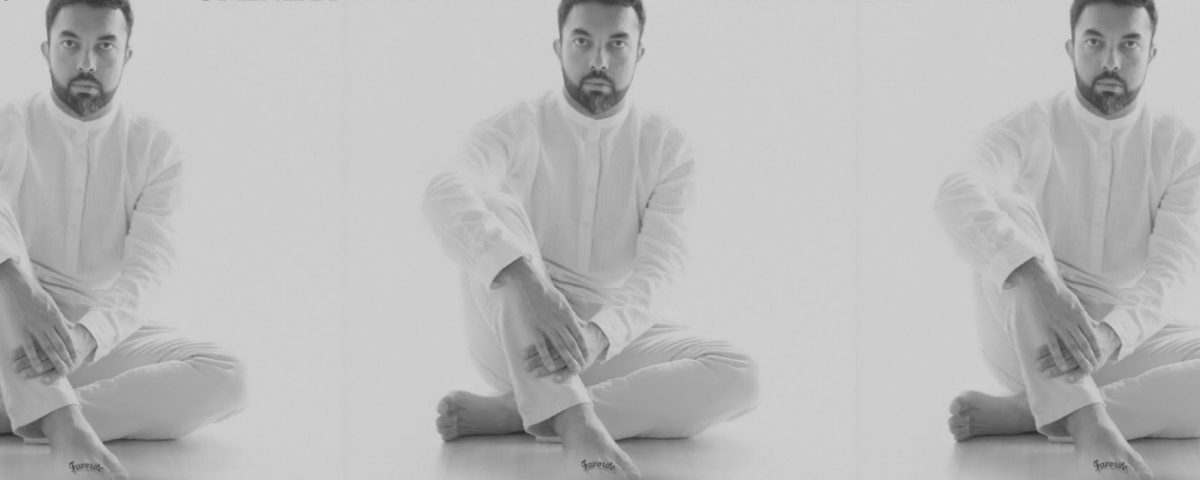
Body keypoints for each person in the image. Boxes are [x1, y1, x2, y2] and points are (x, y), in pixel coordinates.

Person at [423, 0, 759, 477]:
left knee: (741, 374)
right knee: (494, 205)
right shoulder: (518, 124)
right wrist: (529, 285)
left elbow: (662, 266)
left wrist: (600, 334)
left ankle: (521, 413)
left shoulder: (668, 146)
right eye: (583, 42)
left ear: (639, 52)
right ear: (559, 47)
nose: (599, 60)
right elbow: (442, 192)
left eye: (616, 44)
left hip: (594, 340)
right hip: (515, 339)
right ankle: (577, 424)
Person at [935, 0, 1200, 478]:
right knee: (1006, 205)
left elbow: (1174, 268)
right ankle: (1088, 423)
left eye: (1129, 44)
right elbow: (954, 192)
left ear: (1152, 53)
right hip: (1028, 336)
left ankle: (1033, 413)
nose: (1111, 61)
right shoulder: (1031, 124)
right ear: (1071, 48)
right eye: (1095, 42)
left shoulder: (1180, 146)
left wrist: (1111, 335)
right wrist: (1041, 283)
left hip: (1113, 340)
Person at [0, 1, 248, 478]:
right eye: (70, 43)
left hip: (86, 337)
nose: (87, 63)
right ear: (46, 50)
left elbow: (149, 268)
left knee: (228, 376)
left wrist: (87, 337)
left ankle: (32, 414)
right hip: (7, 324)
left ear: (127, 54)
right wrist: (21, 289)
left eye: (105, 46)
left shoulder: (155, 147)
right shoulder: (10, 123)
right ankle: (63, 424)